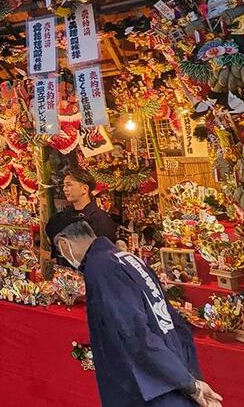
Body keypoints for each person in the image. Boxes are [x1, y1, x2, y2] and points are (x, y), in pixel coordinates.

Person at [53, 222, 223, 407]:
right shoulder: (127, 258)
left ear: (63, 244)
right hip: (173, 364)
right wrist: (191, 378)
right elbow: (176, 322)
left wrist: (191, 385)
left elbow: (133, 333)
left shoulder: (100, 268)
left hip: (150, 384)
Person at [46, 170, 118, 261]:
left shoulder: (100, 219)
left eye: (69, 184)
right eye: (64, 185)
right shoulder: (61, 217)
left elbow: (106, 255)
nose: (64, 189)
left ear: (84, 189)